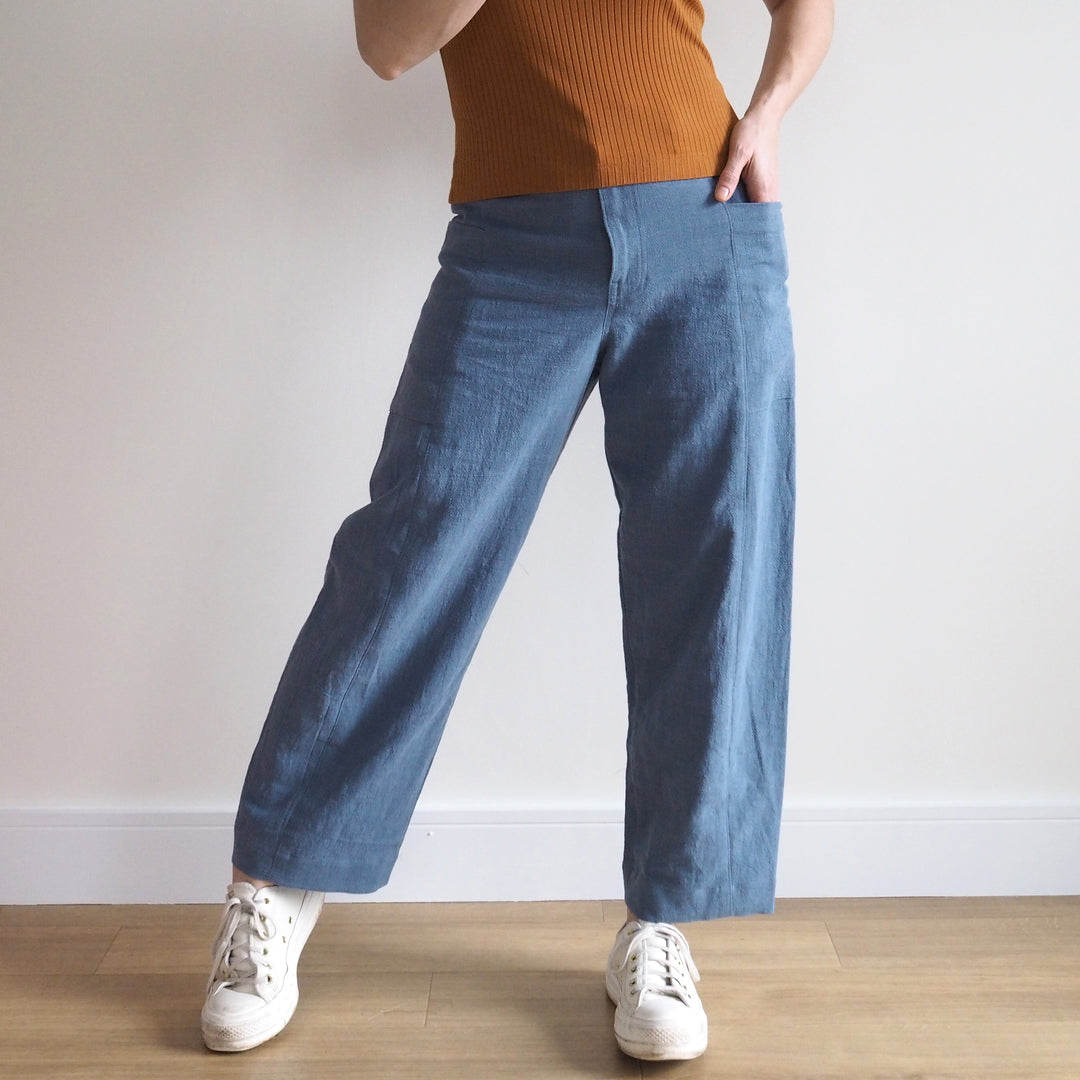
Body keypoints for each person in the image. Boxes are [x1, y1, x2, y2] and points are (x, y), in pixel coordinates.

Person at [200, 0, 833, 1063]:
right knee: (410, 549)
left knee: (715, 564)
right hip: (513, 244)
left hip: (706, 220)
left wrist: (767, 110)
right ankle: (270, 886)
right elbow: (386, 47)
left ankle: (661, 922)